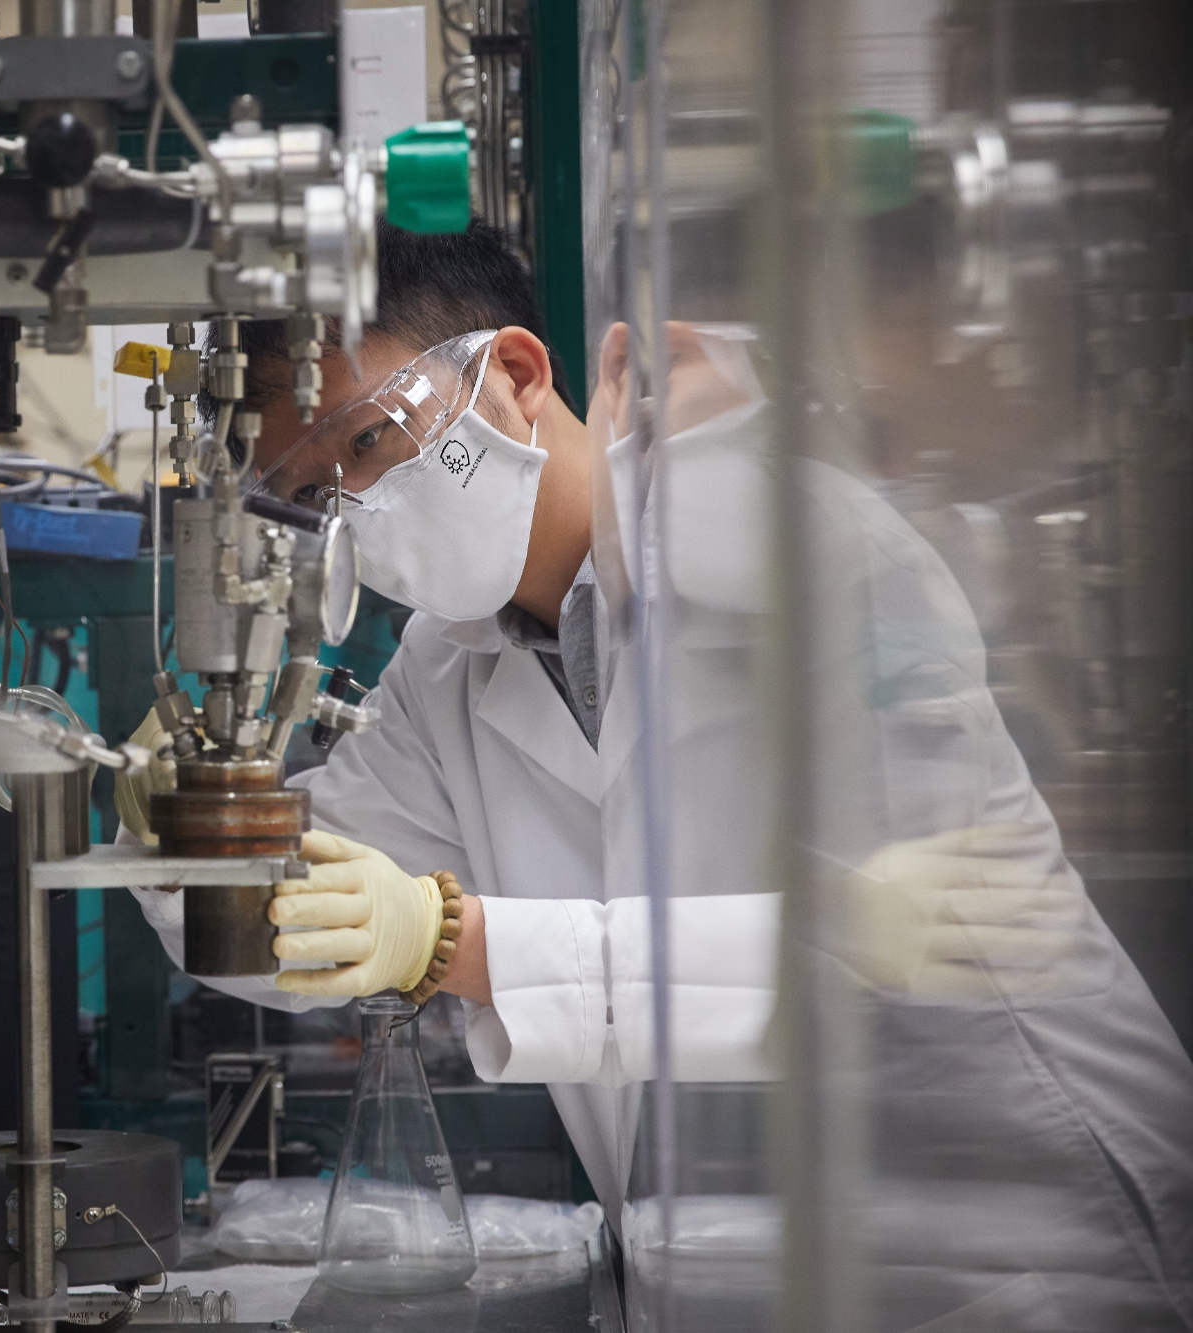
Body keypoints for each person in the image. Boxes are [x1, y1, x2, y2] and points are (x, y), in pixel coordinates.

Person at [116, 222, 1193, 1327]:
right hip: (741, 1261)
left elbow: (879, 949)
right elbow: (283, 923)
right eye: (312, 496)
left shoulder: (802, 545)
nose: (356, 507)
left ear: (516, 374)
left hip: (1024, 1239)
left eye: (366, 442)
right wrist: (179, 815)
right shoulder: (445, 670)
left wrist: (453, 944)